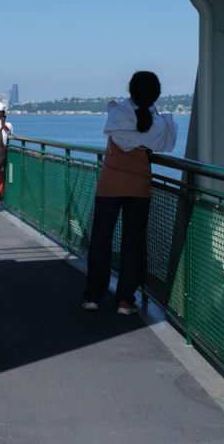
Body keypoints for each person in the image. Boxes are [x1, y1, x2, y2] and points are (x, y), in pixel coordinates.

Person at [82, 71, 176, 315]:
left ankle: (92, 296)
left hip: (110, 184)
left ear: (130, 90)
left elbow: (120, 138)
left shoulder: (118, 113)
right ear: (155, 94)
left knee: (101, 240)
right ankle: (125, 300)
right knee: (133, 244)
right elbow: (167, 143)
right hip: (139, 185)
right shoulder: (159, 122)